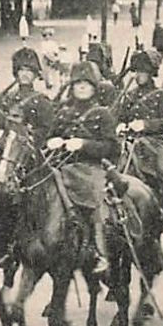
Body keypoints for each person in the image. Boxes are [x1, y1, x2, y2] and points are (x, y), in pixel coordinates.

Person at [44, 61, 119, 275]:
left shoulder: (102, 114)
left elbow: (111, 147)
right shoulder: (63, 112)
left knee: (94, 198)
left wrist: (84, 144)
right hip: (62, 167)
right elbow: (49, 137)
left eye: (86, 84)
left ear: (94, 87)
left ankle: (98, 251)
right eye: (78, 84)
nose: (82, 87)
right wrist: (52, 142)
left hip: (91, 168)